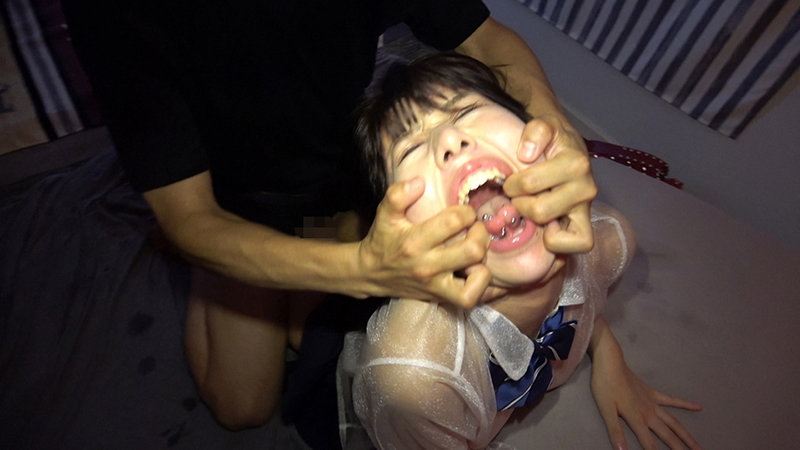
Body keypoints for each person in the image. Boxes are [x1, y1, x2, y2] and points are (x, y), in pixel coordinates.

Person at [61, 0, 597, 433]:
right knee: (241, 406)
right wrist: (364, 270)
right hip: (239, 206)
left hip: (348, 167)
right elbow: (189, 220)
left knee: (309, 337)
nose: (452, 140)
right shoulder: (118, 13)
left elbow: (484, 37)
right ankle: (216, 272)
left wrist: (557, 134)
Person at [344, 53, 702, 450]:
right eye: (410, 150)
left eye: (467, 111)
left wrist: (607, 353)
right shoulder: (413, 381)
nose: (449, 139)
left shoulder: (609, 241)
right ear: (399, 236)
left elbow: (586, 293)